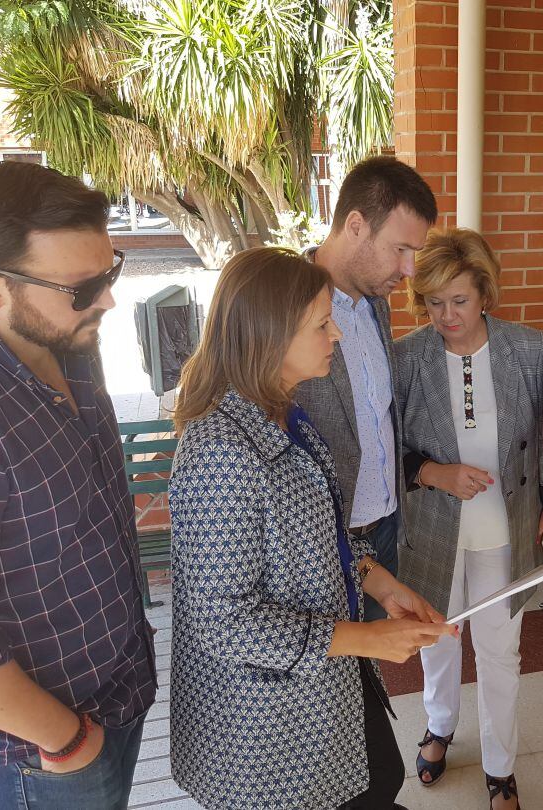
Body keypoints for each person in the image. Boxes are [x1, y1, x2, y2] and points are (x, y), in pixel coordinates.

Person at [0, 161, 157, 809]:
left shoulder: (72, 346)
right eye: (83, 286)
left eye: (110, 271)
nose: (107, 300)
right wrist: (66, 739)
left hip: (111, 704)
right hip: (33, 761)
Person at [168, 247, 456, 810]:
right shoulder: (220, 450)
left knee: (379, 779)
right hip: (267, 728)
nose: (337, 337)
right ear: (268, 336)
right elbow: (223, 621)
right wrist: (367, 638)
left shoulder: (285, 415)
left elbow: (322, 531)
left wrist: (382, 584)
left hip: (321, 688)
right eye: (322, 324)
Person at [395, 229, 543, 810]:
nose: (446, 314)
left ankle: (501, 767)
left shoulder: (525, 349)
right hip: (434, 529)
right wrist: (433, 473)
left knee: (501, 647)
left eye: (460, 301)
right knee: (436, 639)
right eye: (434, 302)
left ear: (485, 295)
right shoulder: (408, 357)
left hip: (505, 527)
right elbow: (390, 447)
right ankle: (440, 725)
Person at [298, 155, 438, 621]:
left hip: (381, 533)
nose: (410, 269)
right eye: (400, 249)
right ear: (355, 225)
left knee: (368, 680)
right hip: (314, 544)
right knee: (325, 681)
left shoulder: (376, 303)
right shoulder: (285, 306)